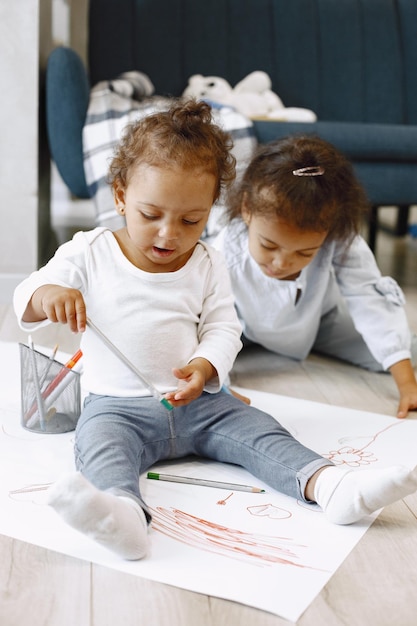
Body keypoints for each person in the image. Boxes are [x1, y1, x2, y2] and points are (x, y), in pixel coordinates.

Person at [14, 101, 417, 561]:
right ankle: (124, 515)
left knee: (262, 433)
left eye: (191, 220)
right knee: (102, 450)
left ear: (211, 210)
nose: (169, 235)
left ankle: (330, 485)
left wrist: (207, 367)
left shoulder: (209, 260)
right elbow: (24, 298)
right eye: (151, 215)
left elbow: (225, 327)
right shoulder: (88, 251)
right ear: (121, 195)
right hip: (117, 409)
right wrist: (47, 295)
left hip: (201, 404)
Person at [213, 135, 417, 419]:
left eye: (305, 252)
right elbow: (209, 321)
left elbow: (370, 298)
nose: (281, 263)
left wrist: (407, 384)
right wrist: (219, 387)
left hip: (319, 321)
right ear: (246, 209)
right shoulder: (224, 249)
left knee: (406, 350)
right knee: (206, 363)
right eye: (269, 245)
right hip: (239, 325)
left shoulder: (340, 238)